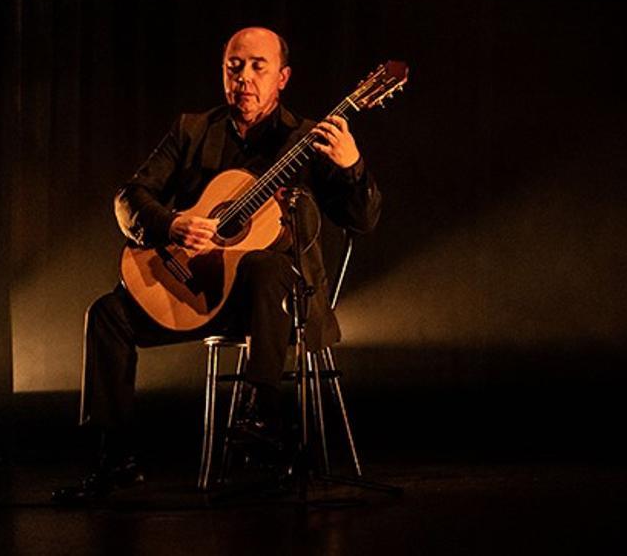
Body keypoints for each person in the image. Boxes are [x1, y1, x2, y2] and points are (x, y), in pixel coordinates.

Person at [53, 27, 382, 503]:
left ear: (283, 77)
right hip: (197, 290)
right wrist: (173, 225)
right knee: (107, 315)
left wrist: (352, 165)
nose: (244, 77)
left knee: (265, 267)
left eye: (257, 66)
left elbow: (362, 220)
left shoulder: (307, 140)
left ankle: (263, 419)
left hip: (271, 306)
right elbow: (130, 198)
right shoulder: (192, 130)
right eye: (234, 66)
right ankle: (115, 458)